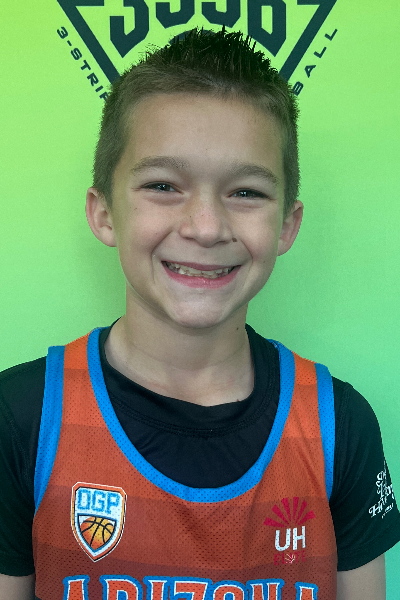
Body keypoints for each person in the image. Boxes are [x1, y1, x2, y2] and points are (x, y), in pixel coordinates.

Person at [0, 26, 399, 600]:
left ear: (286, 225)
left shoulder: (340, 427)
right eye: (163, 185)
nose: (206, 227)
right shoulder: (22, 420)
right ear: (104, 213)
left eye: (246, 192)